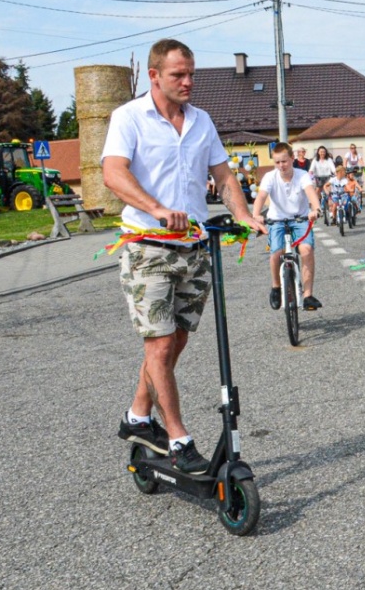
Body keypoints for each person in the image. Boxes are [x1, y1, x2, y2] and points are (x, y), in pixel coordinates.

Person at [102, 38, 266, 475]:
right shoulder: (129, 117)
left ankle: (137, 416)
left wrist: (244, 214)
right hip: (146, 246)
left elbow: (223, 174)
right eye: (178, 75)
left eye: (191, 73)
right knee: (157, 344)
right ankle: (178, 438)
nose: (188, 81)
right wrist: (156, 209)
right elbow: (113, 173)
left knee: (176, 340)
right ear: (154, 75)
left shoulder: (201, 121)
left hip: (193, 247)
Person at [252, 142, 322, 311]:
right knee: (276, 251)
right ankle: (276, 287)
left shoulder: (302, 175)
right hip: (277, 219)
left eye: (284, 161)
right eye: (277, 162)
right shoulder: (270, 177)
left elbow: (311, 194)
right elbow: (261, 196)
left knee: (306, 250)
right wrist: (256, 214)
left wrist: (316, 209)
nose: (281, 166)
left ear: (292, 159)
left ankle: (308, 296)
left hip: (300, 218)